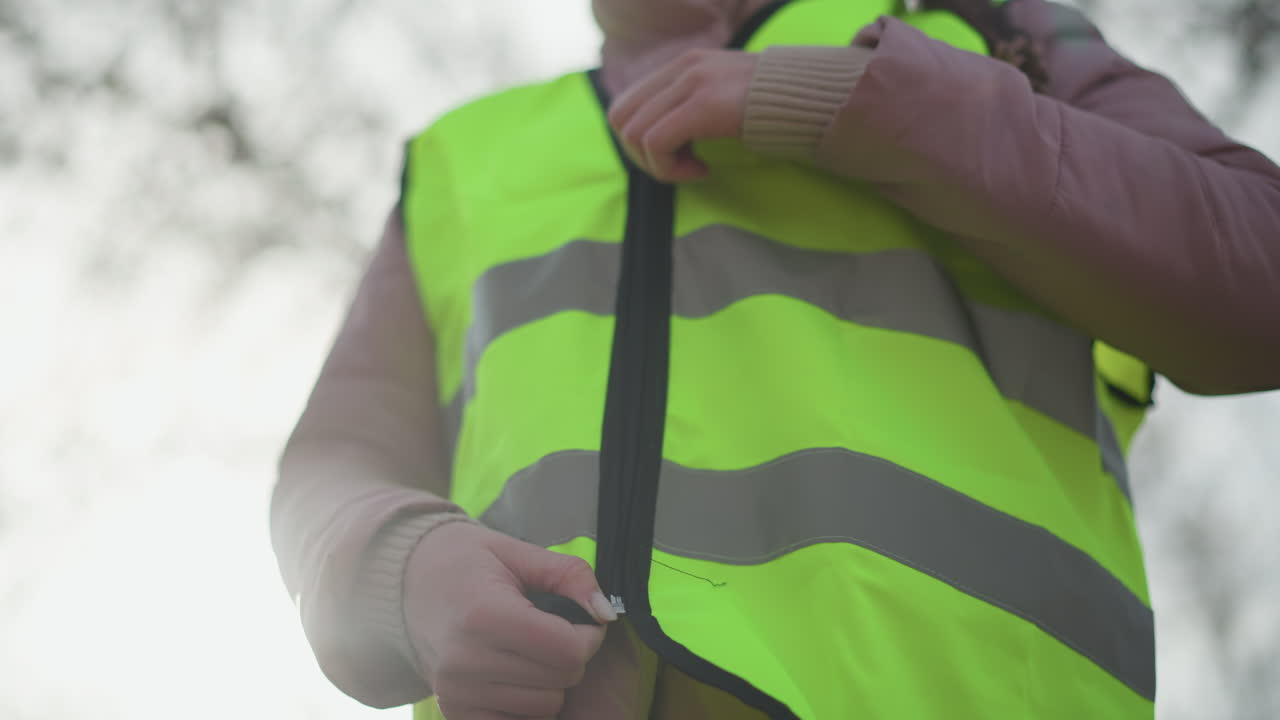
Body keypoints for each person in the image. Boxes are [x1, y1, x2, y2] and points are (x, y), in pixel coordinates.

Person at [270, 0, 1280, 717]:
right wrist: (405, 573)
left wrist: (849, 102)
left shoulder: (984, 35)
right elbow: (329, 467)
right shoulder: (462, 159)